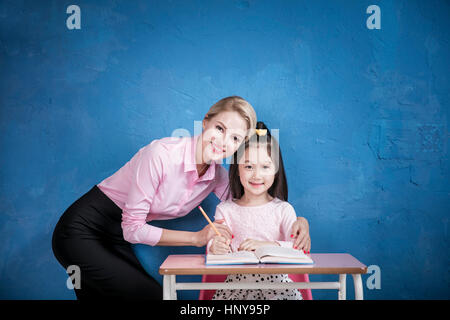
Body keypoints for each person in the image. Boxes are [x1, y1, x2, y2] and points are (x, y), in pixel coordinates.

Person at [52, 96, 310, 300]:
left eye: (234, 138)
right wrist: (197, 239)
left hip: (116, 238)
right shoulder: (160, 154)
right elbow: (132, 229)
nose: (222, 141)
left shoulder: (217, 176)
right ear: (205, 121)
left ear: (238, 148)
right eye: (219, 128)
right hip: (82, 230)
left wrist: (299, 221)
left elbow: (253, 203)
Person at [209, 121, 305, 300]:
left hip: (279, 288)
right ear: (237, 169)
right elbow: (213, 245)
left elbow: (297, 248)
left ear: (276, 170)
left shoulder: (284, 210)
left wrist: (267, 246)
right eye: (248, 166)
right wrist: (214, 246)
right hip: (235, 289)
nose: (256, 175)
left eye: (265, 167)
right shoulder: (225, 210)